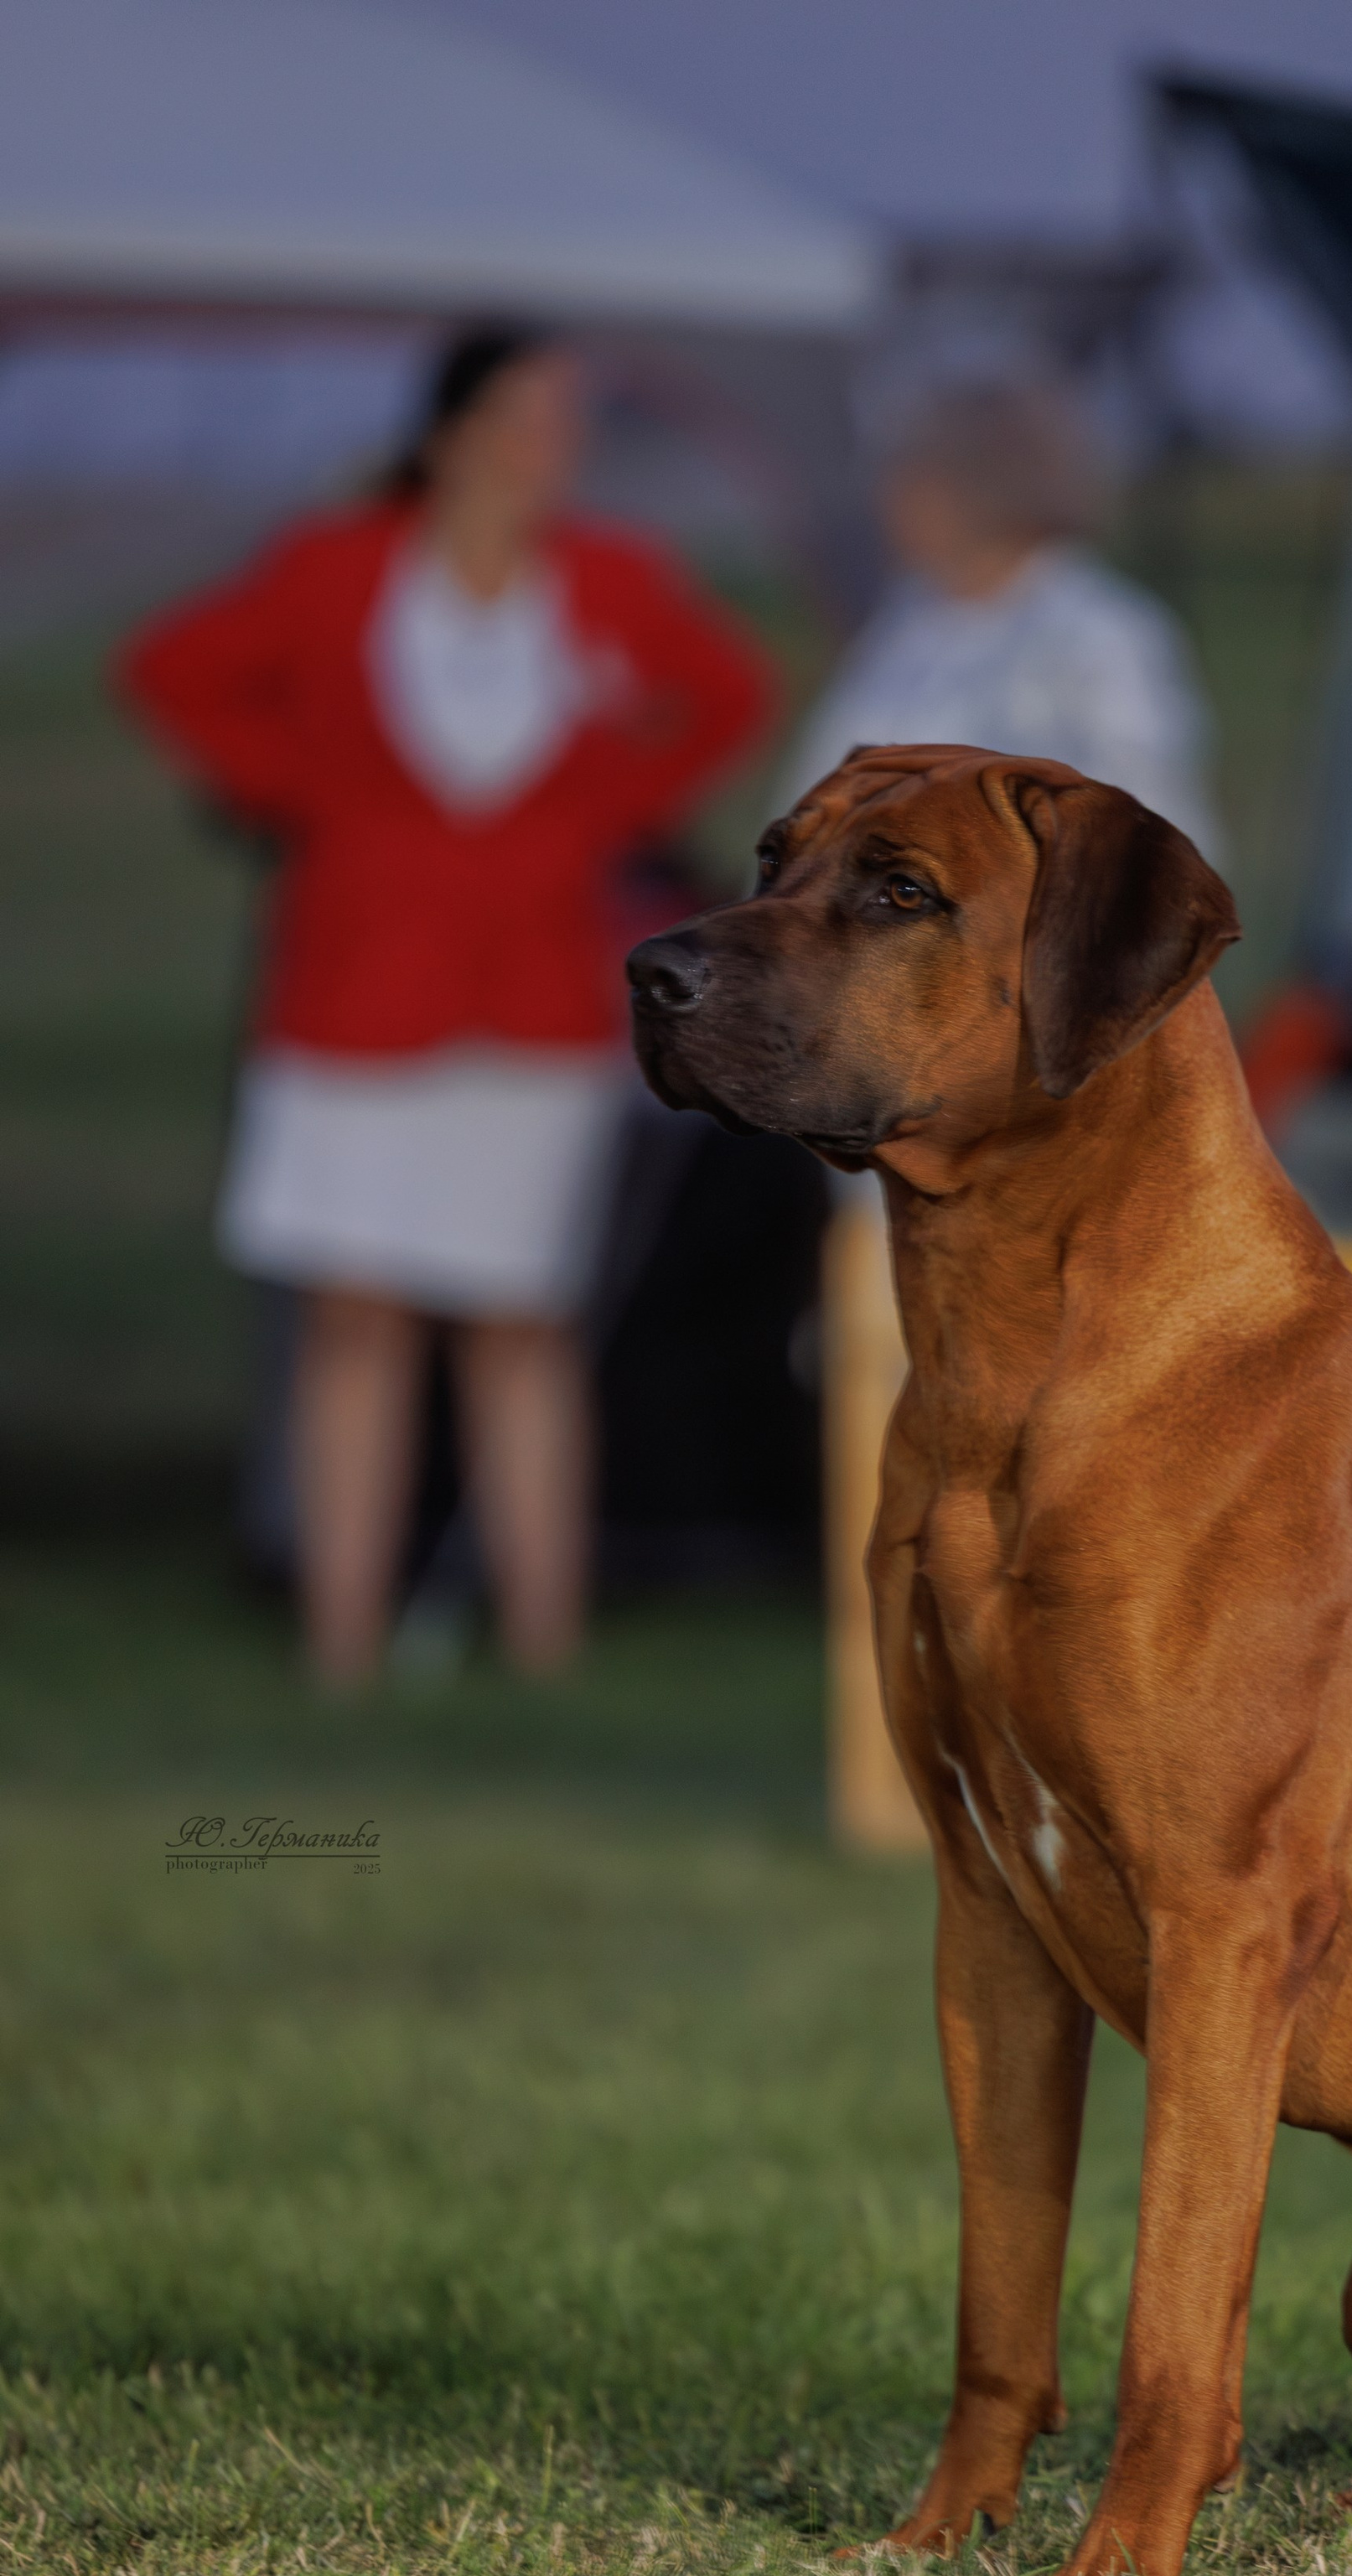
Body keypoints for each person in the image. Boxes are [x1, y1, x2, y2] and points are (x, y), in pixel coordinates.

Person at [121, 326, 776, 1685]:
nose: (549, 446)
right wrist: (311, 795)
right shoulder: (339, 568)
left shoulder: (607, 578)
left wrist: (596, 811)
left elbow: (727, 693)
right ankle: (341, 1636)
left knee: (520, 1316)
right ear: (452, 433)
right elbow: (172, 668)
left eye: (565, 419)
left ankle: (545, 1636)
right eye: (523, 416)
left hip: (529, 991)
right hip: (357, 988)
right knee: (355, 1318)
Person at [787, 377, 1219, 853]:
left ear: (974, 487)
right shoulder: (911, 619)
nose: (885, 504)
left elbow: (1149, 828)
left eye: (910, 481)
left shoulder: (1101, 637)